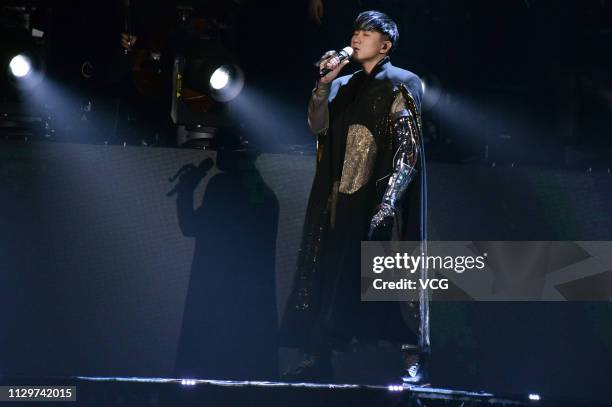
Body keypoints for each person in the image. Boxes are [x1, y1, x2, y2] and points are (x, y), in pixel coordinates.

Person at [279, 10, 428, 384]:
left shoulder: (402, 83)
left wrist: (391, 198)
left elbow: (408, 149)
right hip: (338, 196)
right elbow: (318, 126)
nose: (357, 38)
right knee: (327, 274)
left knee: (387, 276)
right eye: (355, 31)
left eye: (367, 33)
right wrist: (323, 84)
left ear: (386, 44)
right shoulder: (342, 85)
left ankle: (411, 356)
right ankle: (317, 354)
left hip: (377, 199)